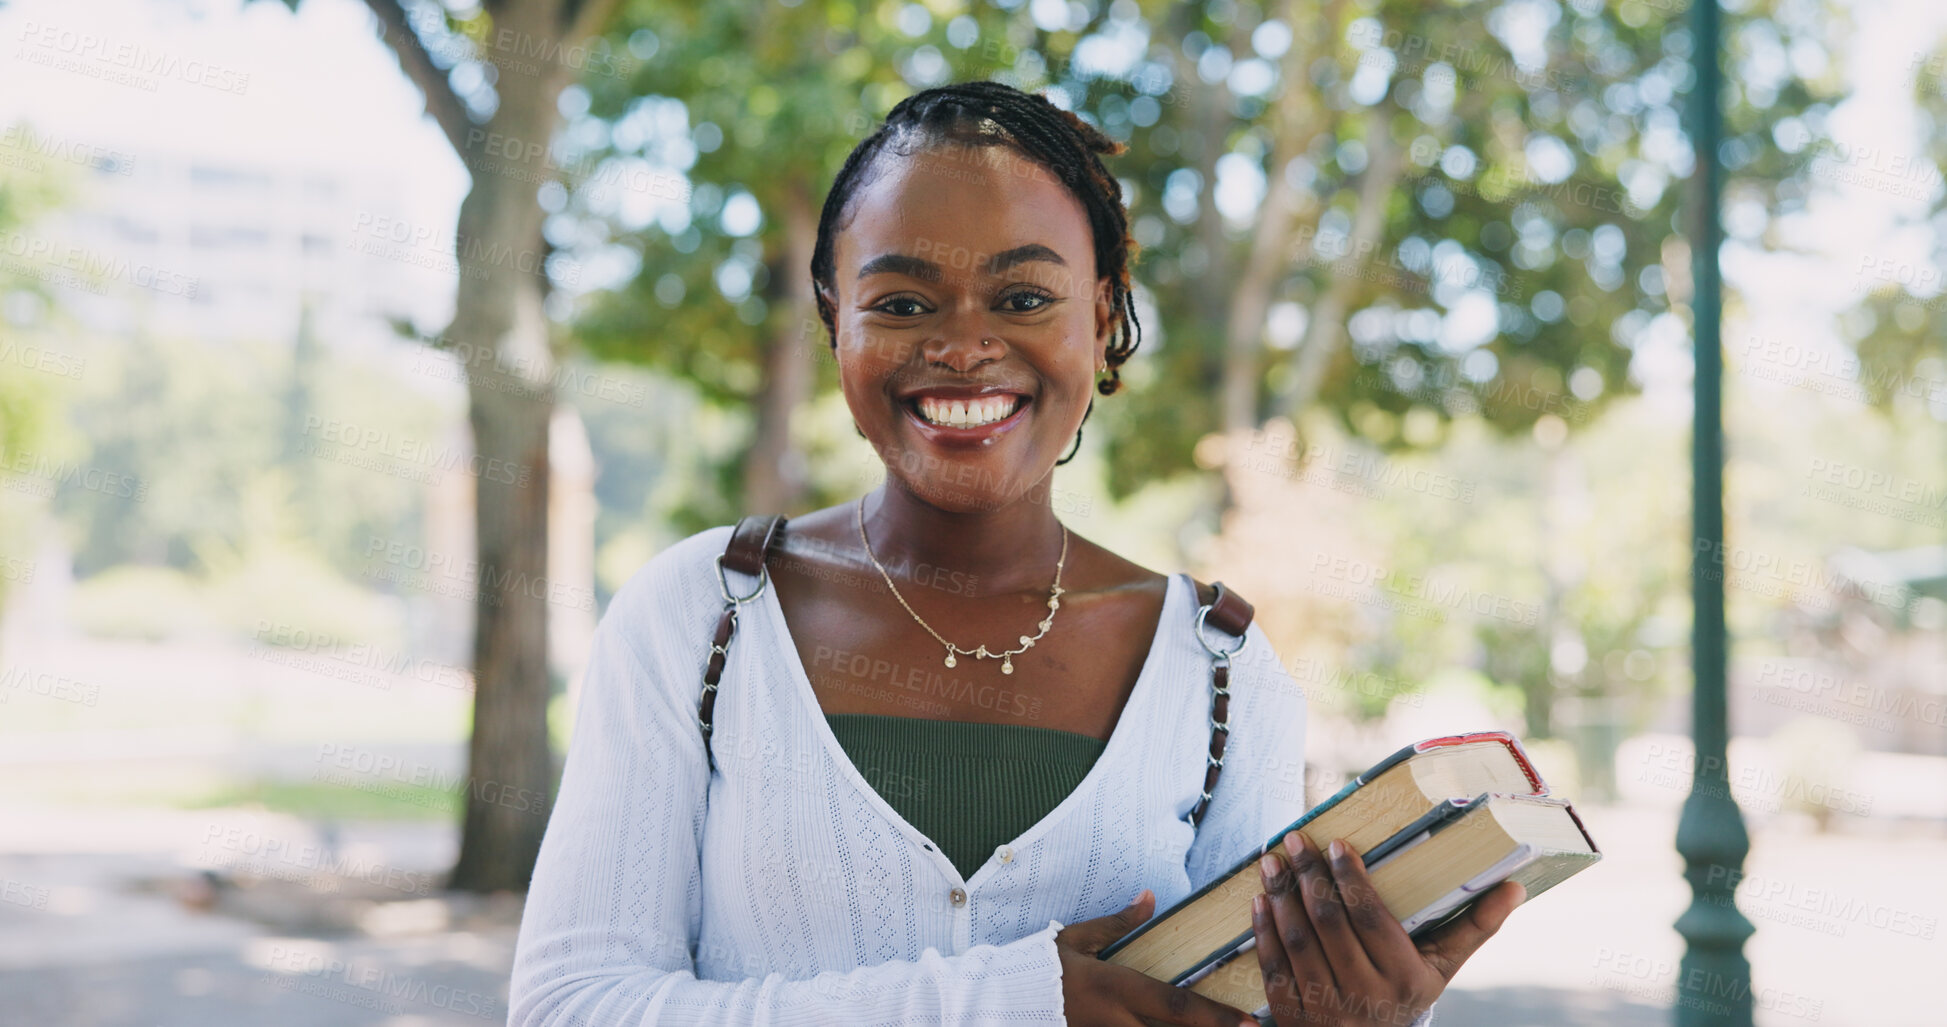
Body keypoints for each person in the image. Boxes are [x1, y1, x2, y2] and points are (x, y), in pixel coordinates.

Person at [507, 79, 1521, 1027]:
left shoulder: (1220, 674)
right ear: (834, 321)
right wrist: (1018, 998)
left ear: (1103, 313)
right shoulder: (705, 616)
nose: (962, 344)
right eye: (902, 302)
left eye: (1024, 297)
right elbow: (571, 1004)